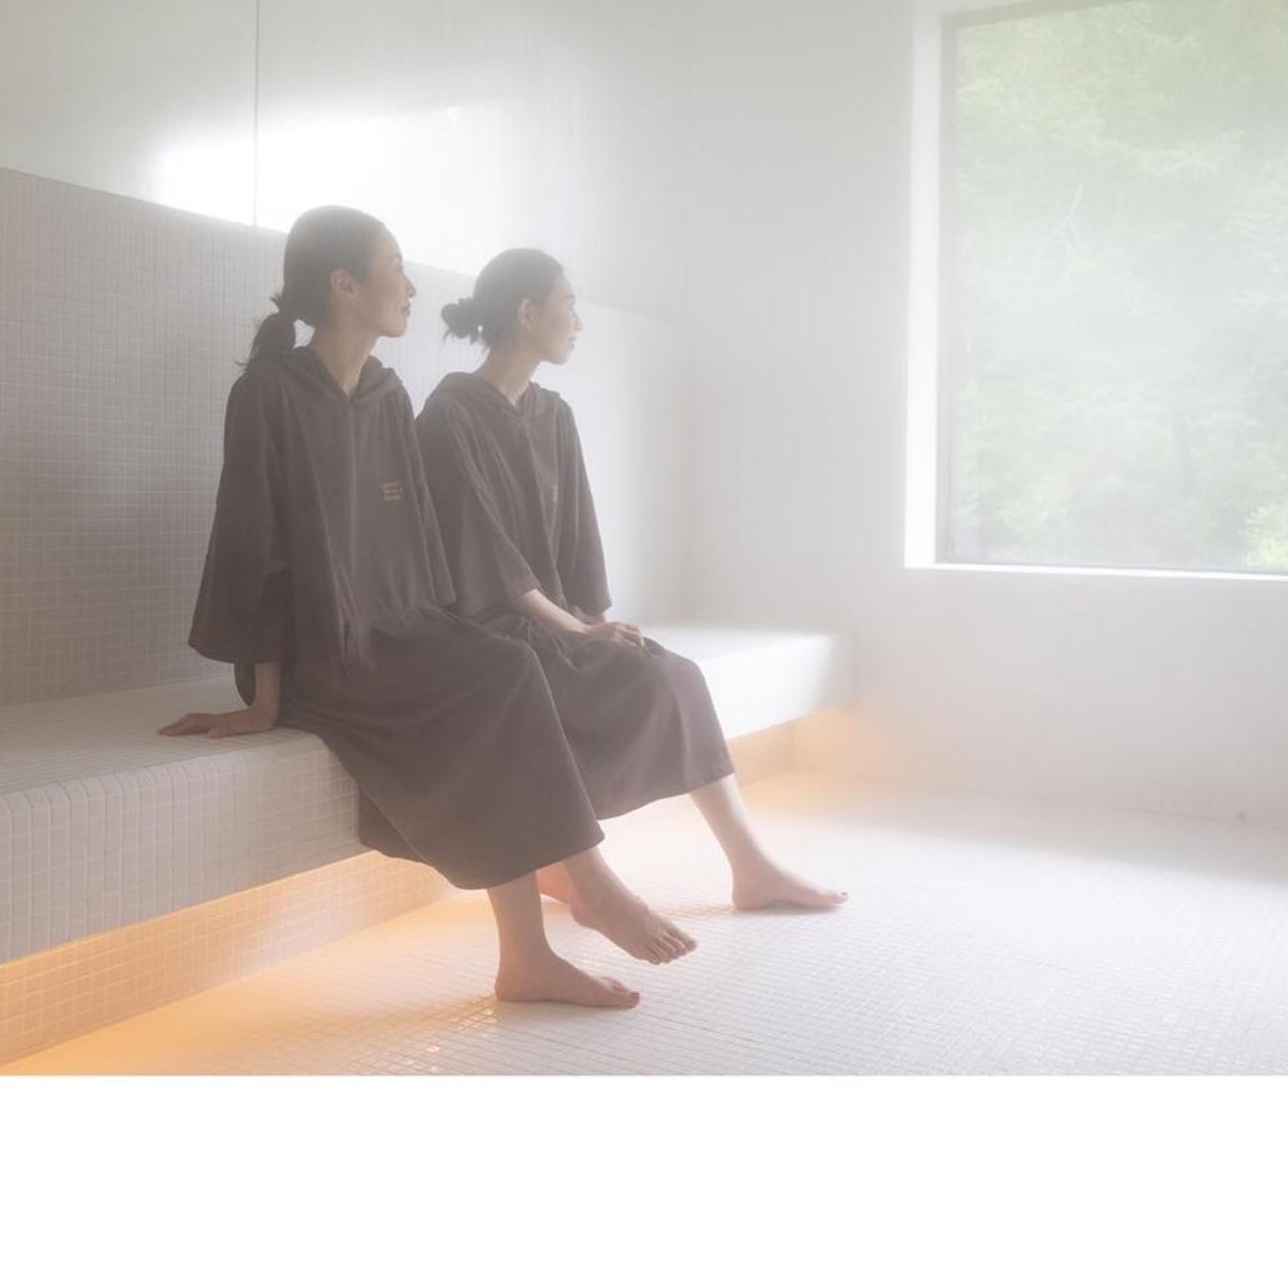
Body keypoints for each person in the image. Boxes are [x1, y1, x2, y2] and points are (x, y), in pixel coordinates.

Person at [158, 206, 696, 1011]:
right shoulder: (268, 393)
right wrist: (266, 700)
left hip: (397, 629)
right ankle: (581, 891)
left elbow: (415, 538)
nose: (410, 287)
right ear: (345, 286)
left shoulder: (386, 394)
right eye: (395, 268)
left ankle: (528, 955)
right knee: (499, 679)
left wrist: (449, 634)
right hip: (317, 649)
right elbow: (250, 544)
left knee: (505, 664)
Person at [416, 248, 846, 916]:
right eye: (568, 304)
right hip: (487, 627)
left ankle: (750, 866)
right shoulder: (449, 416)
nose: (578, 321)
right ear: (527, 313)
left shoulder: (552, 413)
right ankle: (567, 867)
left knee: (674, 675)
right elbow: (484, 555)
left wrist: (592, 621)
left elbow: (576, 537)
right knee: (599, 685)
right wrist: (580, 631)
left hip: (557, 617)